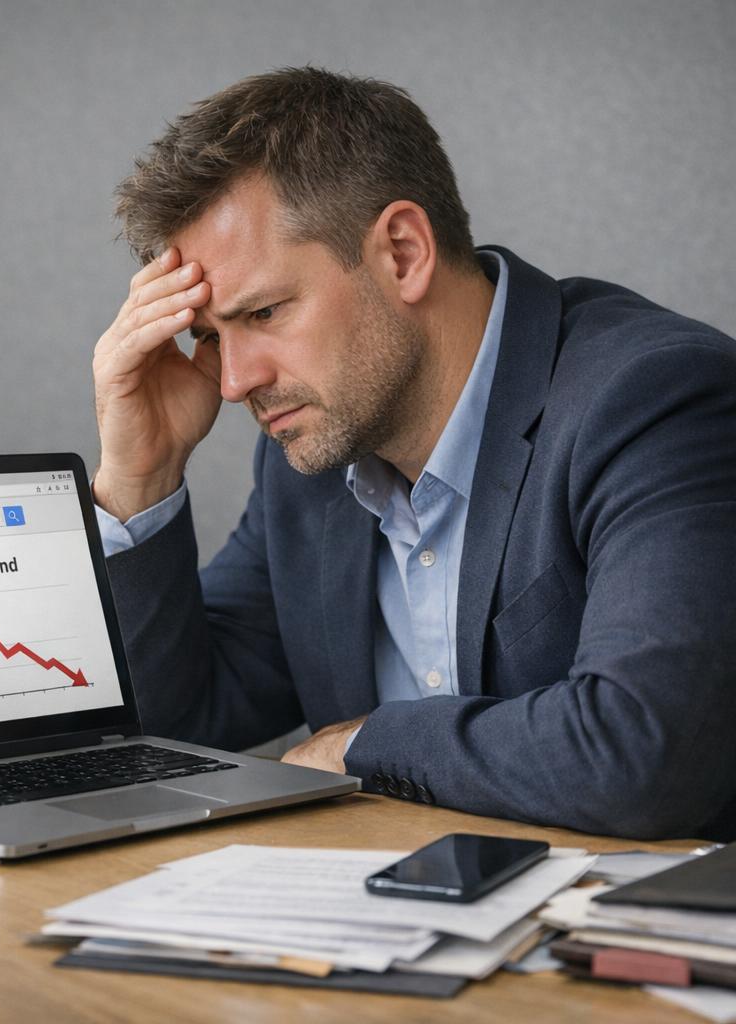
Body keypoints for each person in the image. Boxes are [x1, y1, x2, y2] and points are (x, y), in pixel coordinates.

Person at [89, 66, 736, 840]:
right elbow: (179, 726)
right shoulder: (315, 452)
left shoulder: (654, 399)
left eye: (263, 312)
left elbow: (643, 754)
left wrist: (362, 746)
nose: (234, 382)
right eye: (211, 336)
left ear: (402, 251)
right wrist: (141, 476)